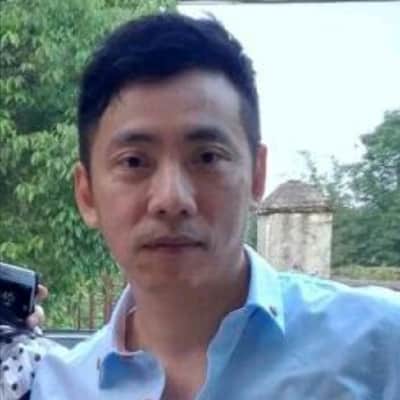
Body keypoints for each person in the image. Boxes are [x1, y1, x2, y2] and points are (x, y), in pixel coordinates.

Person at [21, 11, 398, 400]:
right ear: (87, 195)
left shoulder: (380, 346)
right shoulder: (55, 388)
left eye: (207, 157)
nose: (171, 199)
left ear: (257, 175)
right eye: (134, 162)